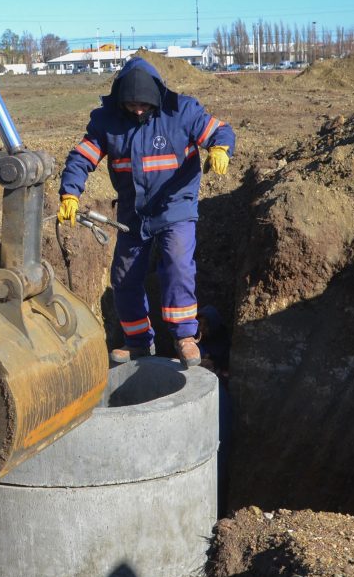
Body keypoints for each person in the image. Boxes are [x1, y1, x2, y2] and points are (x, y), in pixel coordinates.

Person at [57, 56, 235, 368]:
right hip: (134, 213)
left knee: (177, 264)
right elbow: (82, 157)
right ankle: (138, 342)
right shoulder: (107, 121)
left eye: (144, 105)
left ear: (156, 98)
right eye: (132, 105)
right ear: (120, 101)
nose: (138, 110)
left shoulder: (181, 111)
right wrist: (70, 192)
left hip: (175, 205)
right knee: (124, 277)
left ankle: (184, 337)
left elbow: (218, 130)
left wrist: (220, 148)